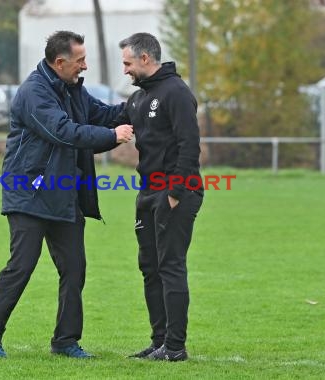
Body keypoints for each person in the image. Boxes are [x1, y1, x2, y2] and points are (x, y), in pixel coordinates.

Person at [0, 31, 134, 359]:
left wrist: (144, 100)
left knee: (75, 269)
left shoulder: (74, 89)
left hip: (63, 195)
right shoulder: (34, 92)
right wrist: (112, 137)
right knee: (22, 265)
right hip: (28, 194)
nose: (85, 66)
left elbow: (103, 114)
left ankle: (65, 341)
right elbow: (62, 132)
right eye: (80, 61)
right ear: (60, 62)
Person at [113, 33, 204, 361]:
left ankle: (176, 347)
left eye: (127, 63)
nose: (124, 69)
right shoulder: (138, 99)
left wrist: (176, 192)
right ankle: (159, 341)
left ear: (145, 59)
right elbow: (112, 122)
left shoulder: (176, 93)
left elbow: (189, 145)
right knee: (150, 267)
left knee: (170, 266)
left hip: (174, 192)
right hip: (148, 191)